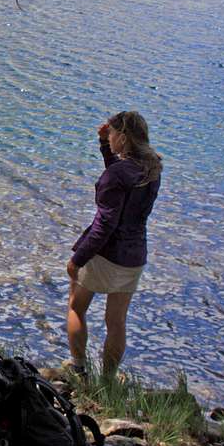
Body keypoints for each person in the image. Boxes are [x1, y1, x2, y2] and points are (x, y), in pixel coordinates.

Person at [66, 111, 161, 379]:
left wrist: (78, 260)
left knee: (76, 306)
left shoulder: (118, 175)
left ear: (123, 136)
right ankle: (107, 380)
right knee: (116, 322)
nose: (108, 137)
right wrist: (104, 147)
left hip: (106, 254)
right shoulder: (153, 168)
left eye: (111, 134)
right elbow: (121, 177)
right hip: (134, 255)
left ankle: (79, 368)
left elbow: (104, 225)